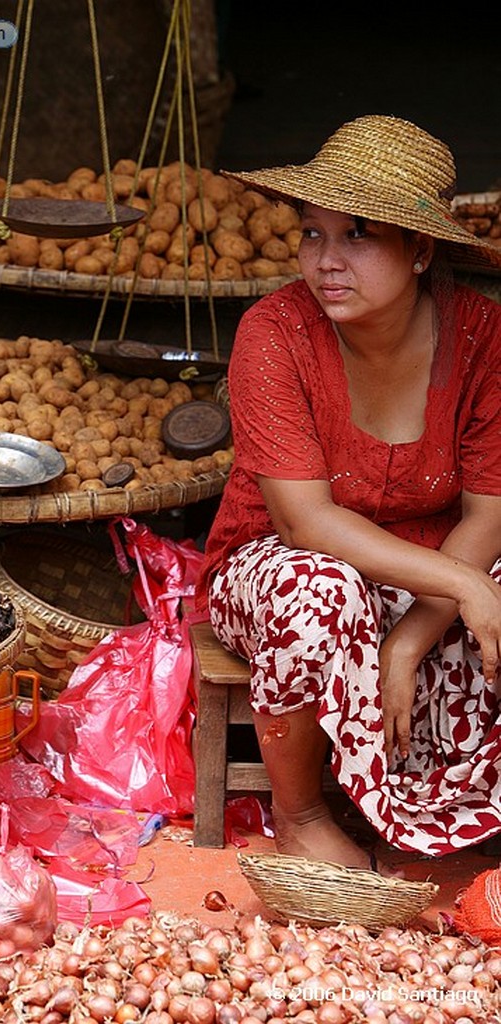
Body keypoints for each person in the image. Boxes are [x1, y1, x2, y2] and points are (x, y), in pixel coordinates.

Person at [196, 114, 501, 875]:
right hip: (277, 567)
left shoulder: (483, 338)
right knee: (319, 589)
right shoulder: (274, 333)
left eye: (357, 236)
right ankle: (299, 815)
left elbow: (488, 516)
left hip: (428, 569)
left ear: (420, 250)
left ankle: (458, 807)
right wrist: (460, 584)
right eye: (311, 234)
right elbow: (304, 522)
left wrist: (412, 633)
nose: (325, 261)